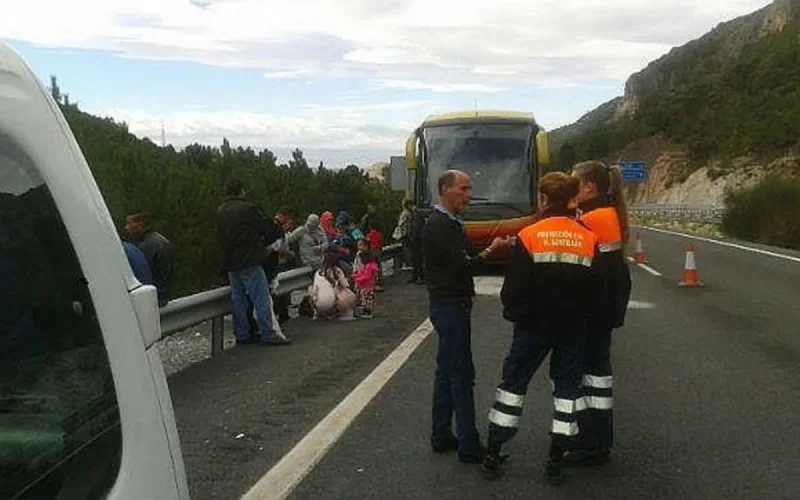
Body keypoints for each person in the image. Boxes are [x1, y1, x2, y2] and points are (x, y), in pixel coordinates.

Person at [481, 172, 600, 484]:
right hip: (572, 328)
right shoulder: (587, 237)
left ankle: (493, 452)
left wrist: (518, 316)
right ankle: (556, 460)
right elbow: (596, 290)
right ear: (572, 198)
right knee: (566, 391)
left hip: (533, 327)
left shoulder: (530, 234)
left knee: (513, 385)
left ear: (543, 199)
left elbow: (514, 289)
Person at [422, 169, 513, 463]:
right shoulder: (440, 226)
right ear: (446, 189)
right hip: (450, 306)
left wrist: (492, 249)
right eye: (463, 188)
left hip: (448, 304)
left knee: (446, 371)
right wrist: (491, 252)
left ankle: (441, 434)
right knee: (462, 374)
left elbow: (466, 258)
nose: (469, 195)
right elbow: (464, 265)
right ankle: (469, 445)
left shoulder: (450, 223)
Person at [564, 161, 632, 466]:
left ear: (588, 186)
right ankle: (599, 440)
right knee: (599, 376)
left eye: (574, 182)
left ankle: (585, 440)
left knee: (581, 375)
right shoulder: (609, 213)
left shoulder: (591, 219)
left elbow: (579, 268)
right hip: (604, 308)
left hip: (591, 310)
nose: (570, 187)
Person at [216, 178, 291, 346]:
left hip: (231, 262)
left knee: (238, 299)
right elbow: (265, 227)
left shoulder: (220, 210)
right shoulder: (247, 208)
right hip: (249, 259)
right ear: (241, 191)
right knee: (261, 296)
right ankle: (269, 333)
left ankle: (242, 334)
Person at [124, 210, 176, 306]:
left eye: (129, 223)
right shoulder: (160, 240)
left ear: (140, 225)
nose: (126, 227)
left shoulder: (147, 246)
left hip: (155, 298)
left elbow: (141, 275)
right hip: (164, 295)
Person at [352, 239, 379, 319]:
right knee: (364, 298)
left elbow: (367, 275)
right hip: (362, 281)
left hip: (365, 283)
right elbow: (356, 265)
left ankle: (367, 312)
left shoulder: (369, 265)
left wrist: (357, 278)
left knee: (366, 299)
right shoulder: (358, 255)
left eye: (361, 245)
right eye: (358, 245)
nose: (359, 247)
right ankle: (363, 311)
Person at [393, 199, 414, 272]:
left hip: (406, 234)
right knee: (406, 248)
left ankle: (407, 262)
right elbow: (402, 224)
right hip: (405, 234)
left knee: (406, 248)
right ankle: (408, 262)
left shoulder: (406, 213)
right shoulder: (406, 213)